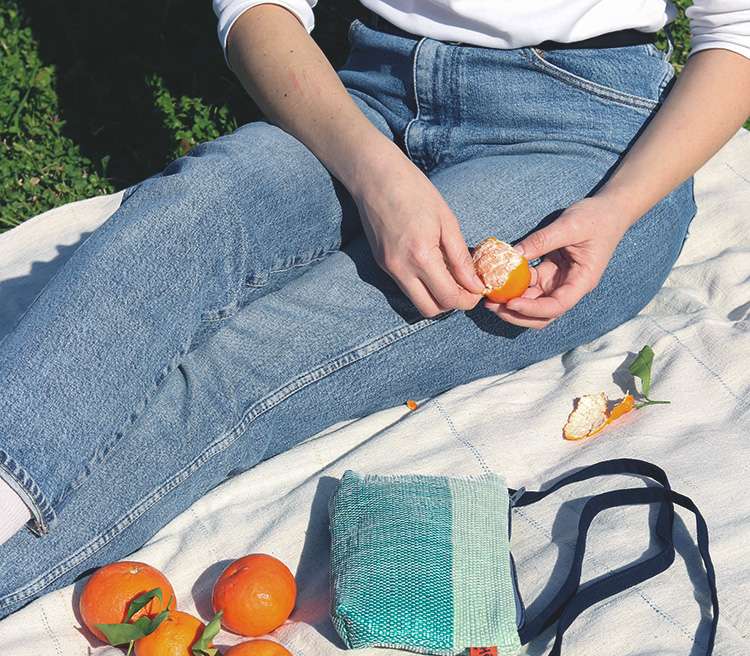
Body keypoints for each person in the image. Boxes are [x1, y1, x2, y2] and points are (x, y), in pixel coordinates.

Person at [0, 0, 749, 621]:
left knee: (252, 361)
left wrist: (617, 210)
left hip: (584, 142)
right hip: (363, 90)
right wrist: (375, 176)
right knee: (176, 224)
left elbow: (737, 33)